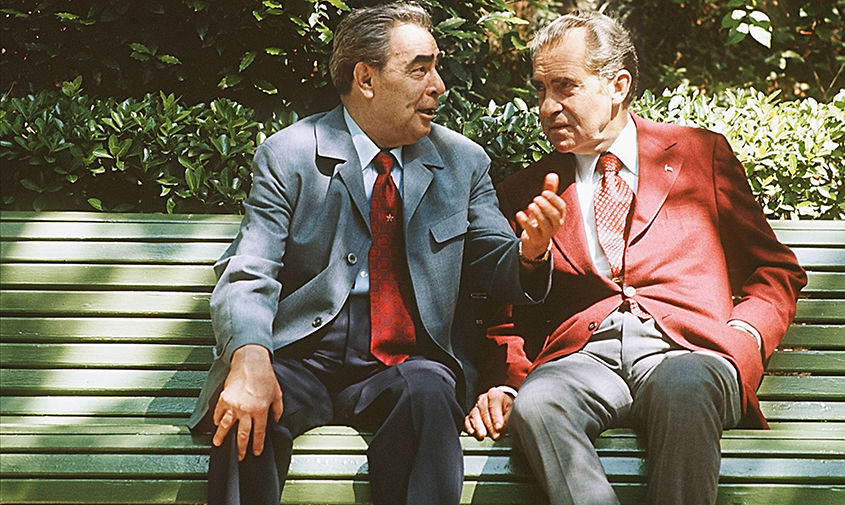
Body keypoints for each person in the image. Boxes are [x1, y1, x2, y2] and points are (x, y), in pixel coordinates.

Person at [187, 4, 566, 505]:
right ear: (365, 78)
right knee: (246, 411)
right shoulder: (289, 155)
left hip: (407, 361)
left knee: (430, 394)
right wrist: (250, 357)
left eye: (436, 68)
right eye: (419, 69)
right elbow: (250, 269)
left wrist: (530, 253)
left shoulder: (463, 162)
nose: (439, 86)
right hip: (304, 355)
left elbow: (493, 262)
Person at [464, 10, 807, 505]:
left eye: (565, 86)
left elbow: (775, 269)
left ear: (618, 85)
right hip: (584, 359)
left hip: (687, 351)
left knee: (686, 386)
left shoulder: (698, 155)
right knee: (538, 404)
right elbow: (506, 313)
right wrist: (506, 383)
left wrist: (745, 335)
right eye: (540, 89)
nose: (547, 106)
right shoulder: (527, 189)